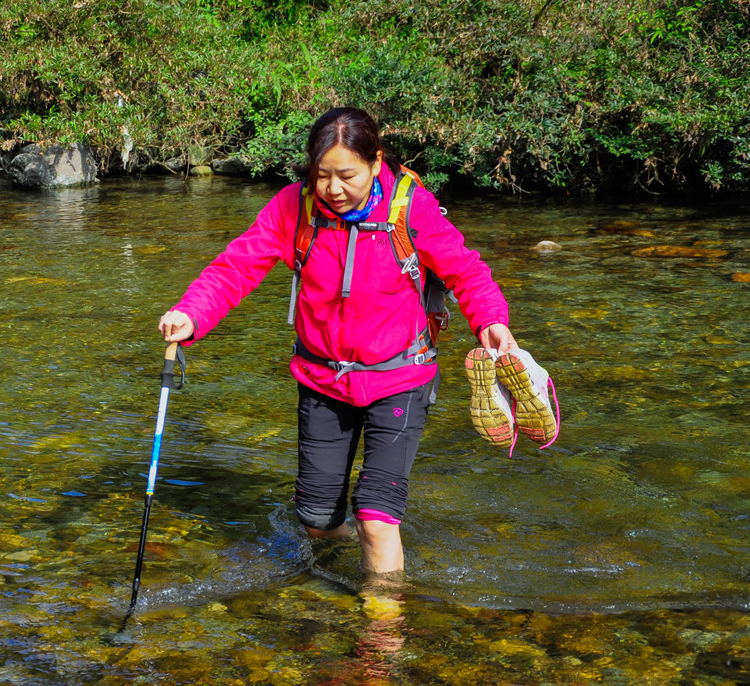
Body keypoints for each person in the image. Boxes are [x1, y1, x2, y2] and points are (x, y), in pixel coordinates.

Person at [157, 106, 518, 576]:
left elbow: (466, 270)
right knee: (318, 521)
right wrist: (191, 313)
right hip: (322, 380)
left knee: (375, 518)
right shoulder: (295, 206)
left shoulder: (411, 209)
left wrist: (490, 319)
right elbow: (236, 267)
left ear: (375, 162)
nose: (332, 189)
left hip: (400, 378)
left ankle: (383, 630)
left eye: (346, 175)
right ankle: (337, 581)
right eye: (321, 175)